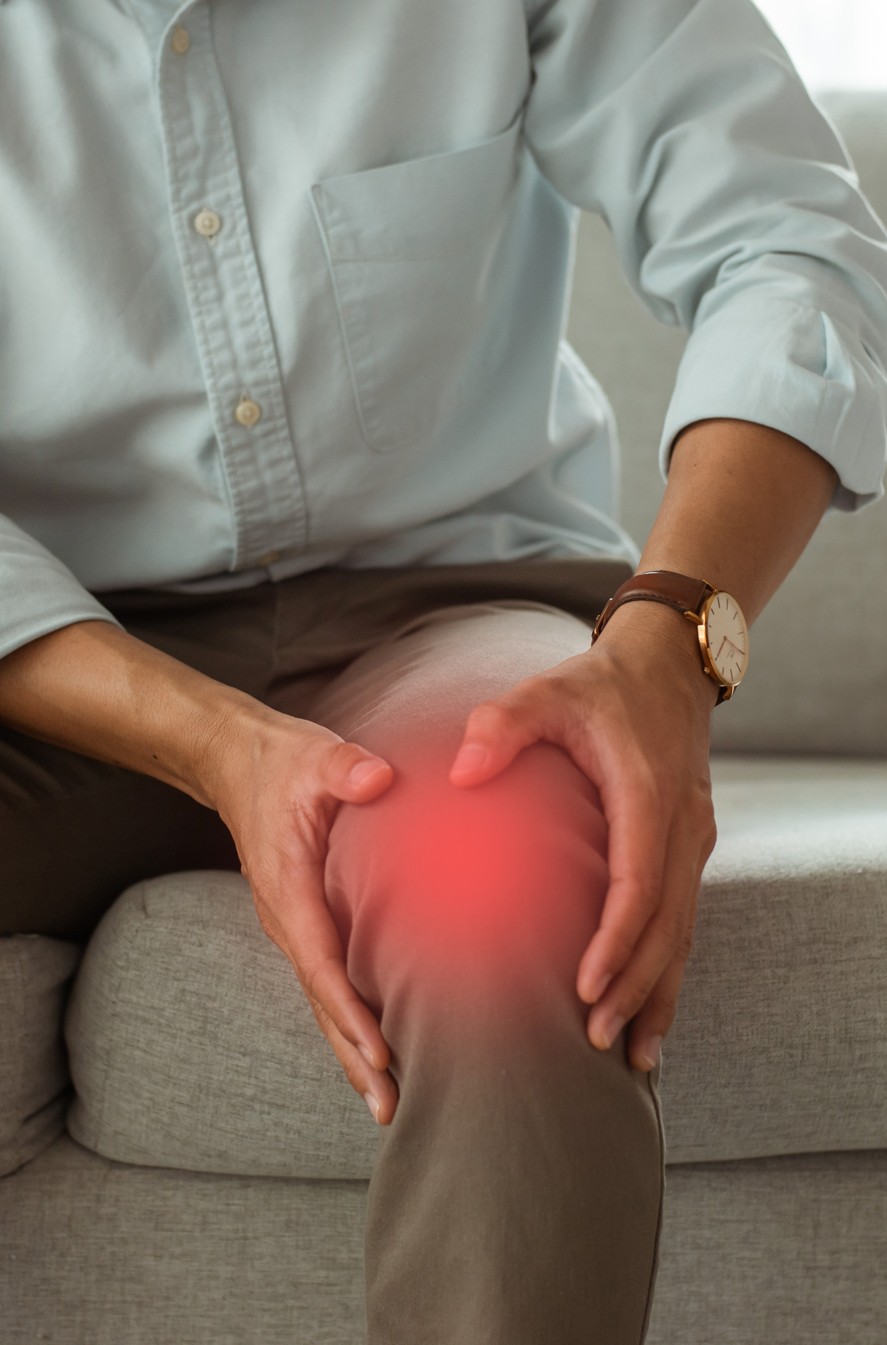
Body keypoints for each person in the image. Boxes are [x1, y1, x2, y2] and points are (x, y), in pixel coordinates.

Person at [1, 0, 885, 1341]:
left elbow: (790, 243)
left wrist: (667, 638)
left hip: (449, 606)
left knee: (501, 870)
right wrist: (214, 742)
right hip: (51, 656)